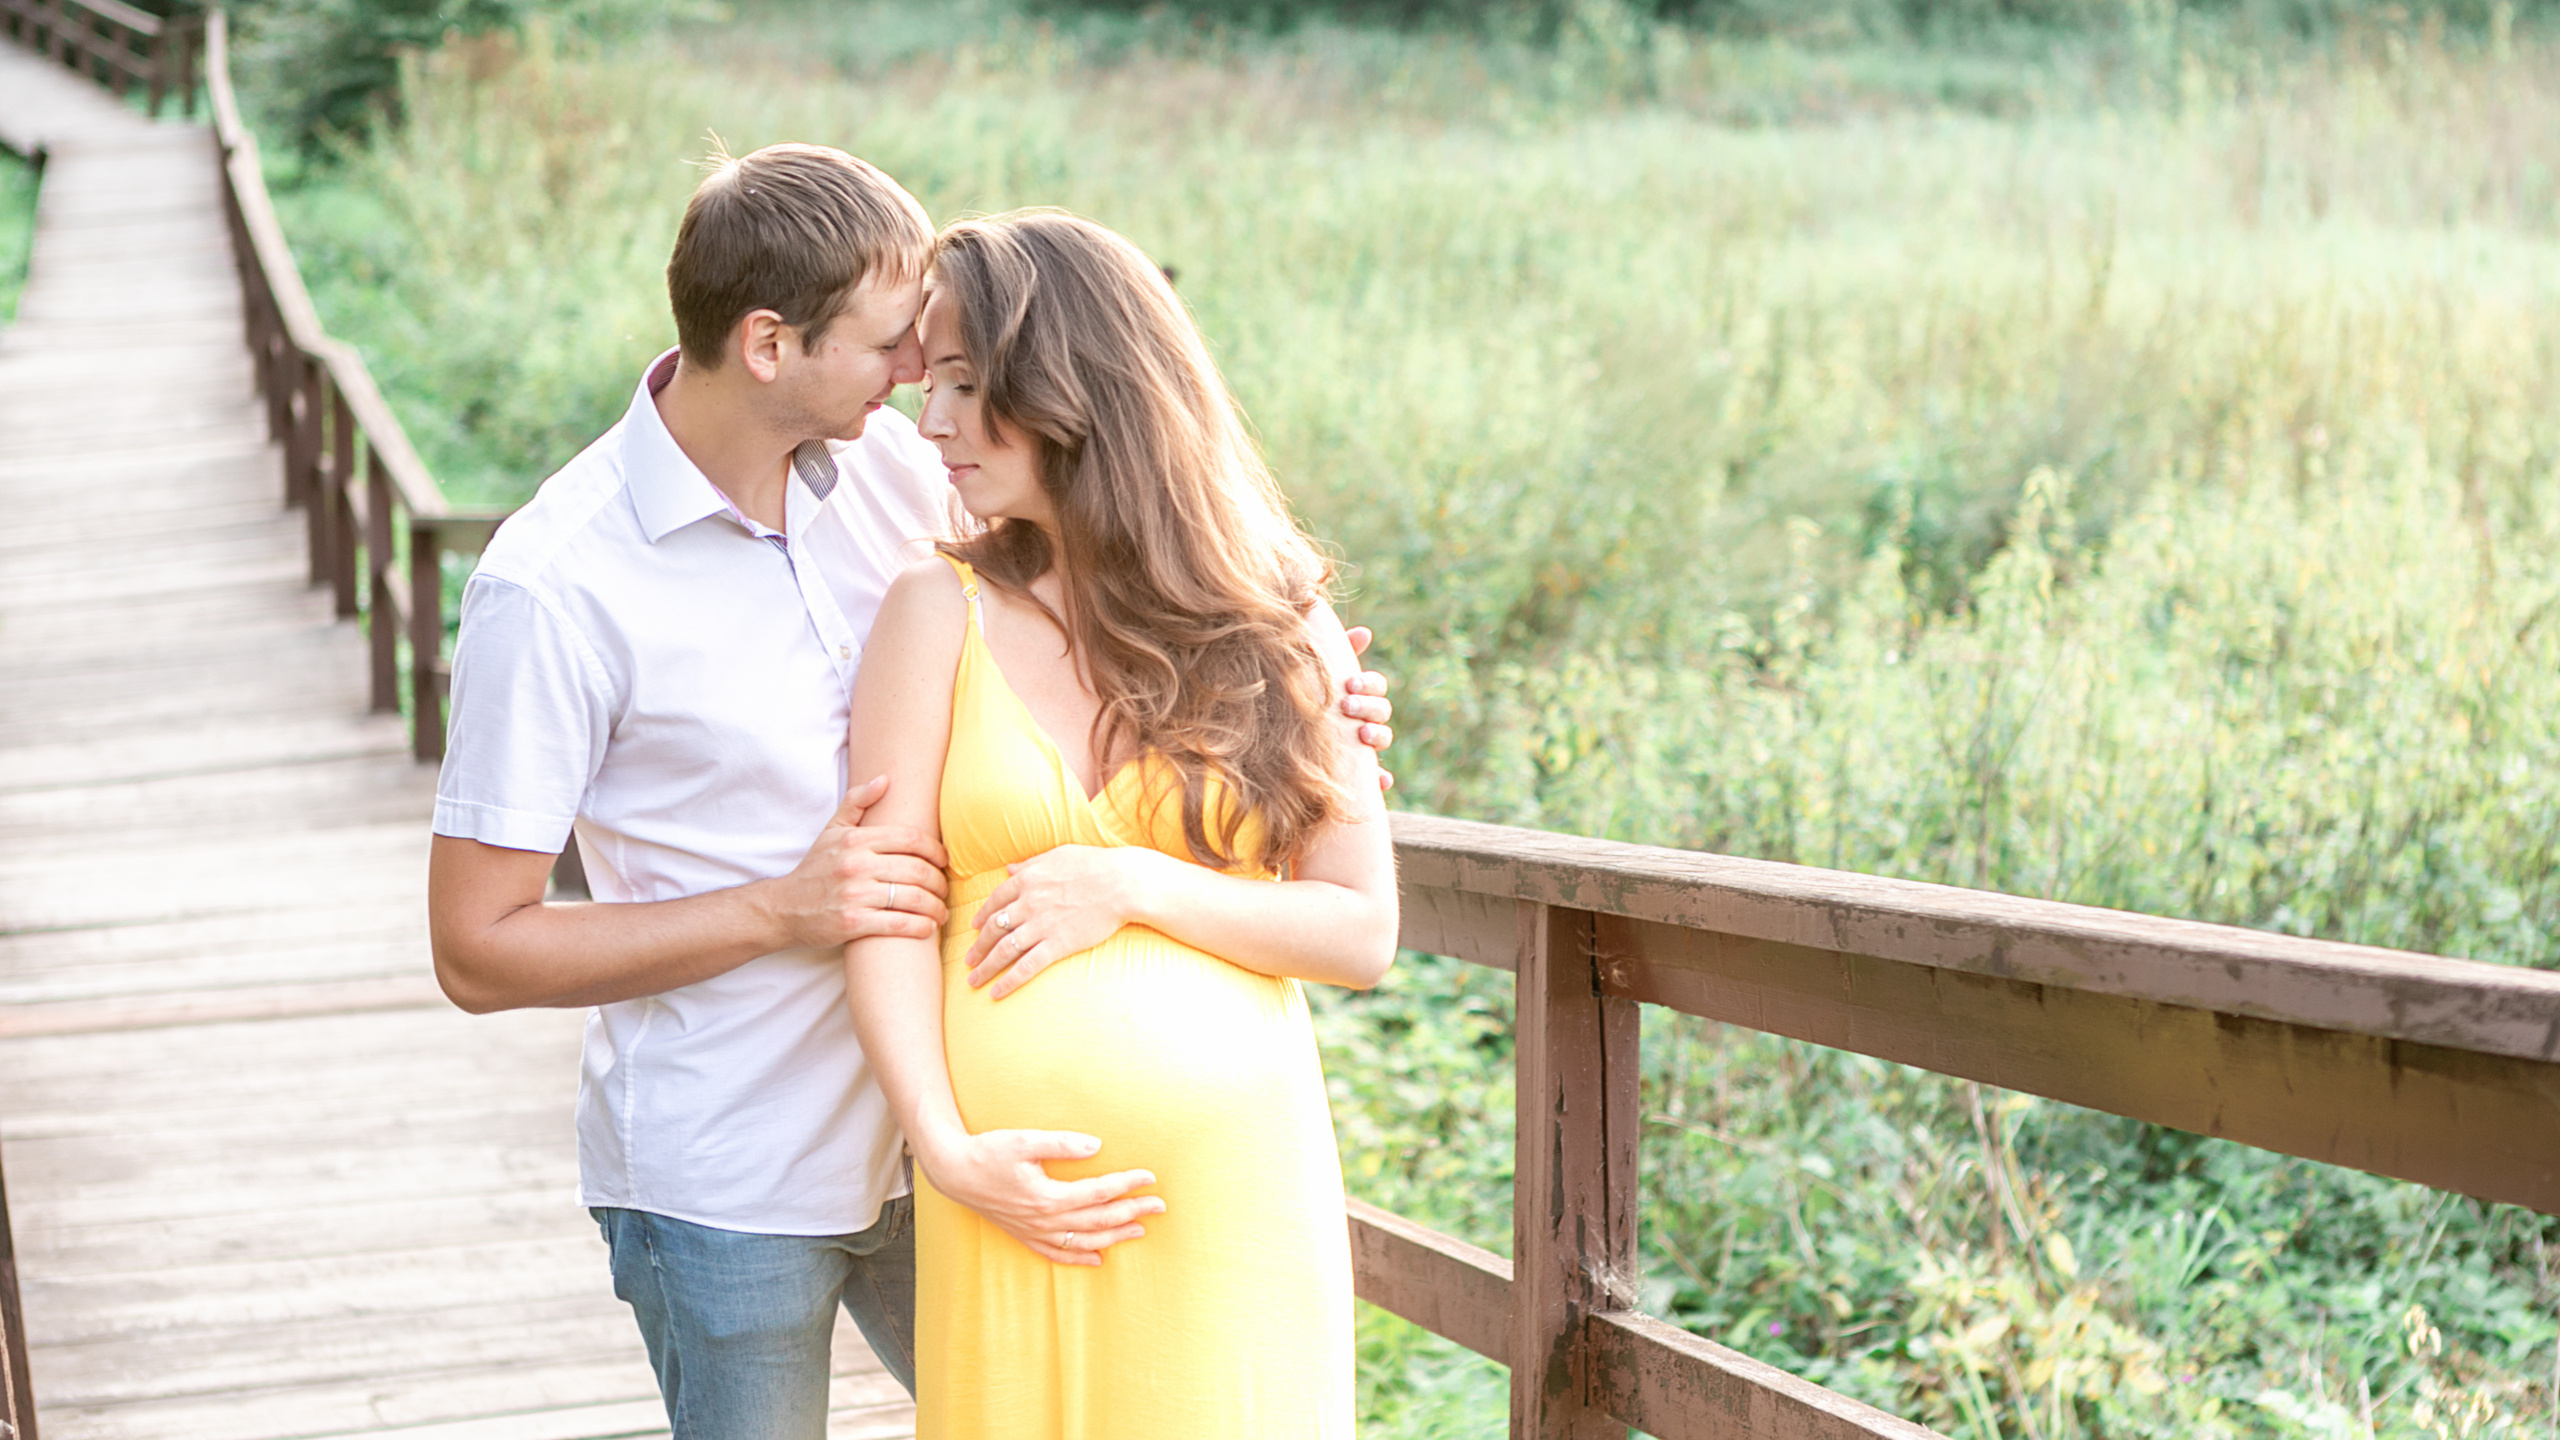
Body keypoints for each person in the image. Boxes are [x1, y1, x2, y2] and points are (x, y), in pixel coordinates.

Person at [424, 146, 1394, 1437]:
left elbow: (1111, 583)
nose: (915, 391)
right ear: (769, 344)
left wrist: (1301, 695)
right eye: (898, 349)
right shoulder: (555, 587)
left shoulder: (897, 471)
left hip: (967, 1145)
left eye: (940, 368)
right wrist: (780, 909)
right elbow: (478, 952)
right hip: (740, 1163)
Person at [839, 209, 1398, 1439]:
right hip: (1012, 1194)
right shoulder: (936, 612)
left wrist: (1131, 886)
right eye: (929, 383)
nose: (928, 422)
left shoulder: (1274, 621)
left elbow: (1359, 932)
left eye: (965, 384)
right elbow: (881, 911)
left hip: (1231, 1207)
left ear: (1073, 386)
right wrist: (943, 1146)